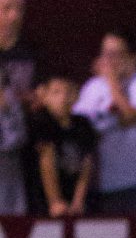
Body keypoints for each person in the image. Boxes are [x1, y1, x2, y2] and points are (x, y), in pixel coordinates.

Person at [74, 32, 136, 214]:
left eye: (115, 54)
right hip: (102, 184)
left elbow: (132, 116)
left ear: (133, 57)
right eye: (105, 54)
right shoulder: (93, 87)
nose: (108, 61)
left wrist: (111, 81)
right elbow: (81, 127)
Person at [30, 74, 100, 218]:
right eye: (56, 92)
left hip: (75, 199)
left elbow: (87, 164)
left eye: (68, 92)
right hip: (43, 202)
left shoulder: (83, 124)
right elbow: (47, 162)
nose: (63, 98)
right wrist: (55, 201)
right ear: (45, 97)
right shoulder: (41, 122)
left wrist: (78, 201)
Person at [0, 0, 36, 215]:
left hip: (14, 152)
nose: (14, 16)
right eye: (6, 9)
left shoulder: (29, 54)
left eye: (19, 9)